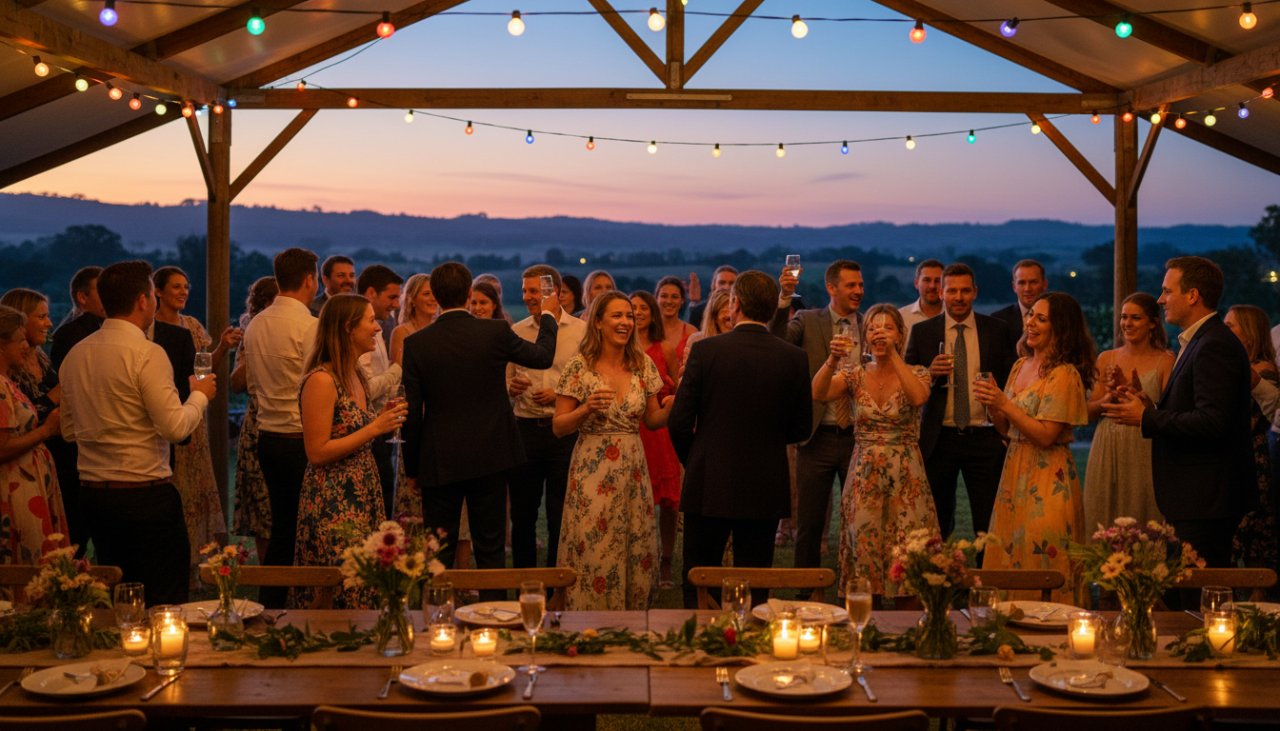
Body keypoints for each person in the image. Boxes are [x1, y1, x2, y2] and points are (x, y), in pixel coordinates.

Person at [59, 261, 215, 605]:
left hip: (95, 498)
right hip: (145, 497)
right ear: (144, 301)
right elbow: (175, 427)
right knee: (164, 599)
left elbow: (69, 431)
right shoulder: (147, 353)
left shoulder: (75, 355)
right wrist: (200, 394)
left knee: (120, 595)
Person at [401, 262, 558, 577]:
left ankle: (435, 617)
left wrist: (413, 467)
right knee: (490, 548)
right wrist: (550, 315)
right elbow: (542, 356)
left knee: (437, 550)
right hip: (491, 455)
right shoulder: (495, 332)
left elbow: (412, 413)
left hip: (440, 457)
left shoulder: (416, 344)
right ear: (469, 293)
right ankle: (493, 613)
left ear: (438, 296)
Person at [671, 271, 812, 608]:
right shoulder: (793, 357)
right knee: (756, 578)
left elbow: (678, 421)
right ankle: (755, 645)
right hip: (765, 481)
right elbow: (802, 428)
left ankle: (699, 641)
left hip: (709, 479)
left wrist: (696, 457)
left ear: (734, 304)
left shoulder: (706, 351)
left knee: (699, 578)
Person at [1103, 256, 1252, 568]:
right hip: (1194, 498)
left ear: (1193, 296)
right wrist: (1148, 404)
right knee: (1181, 591)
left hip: (1205, 500)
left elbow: (1214, 421)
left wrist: (1146, 418)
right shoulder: (1199, 340)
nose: (1160, 300)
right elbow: (1194, 409)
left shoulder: (1214, 344)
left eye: (1167, 291)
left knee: (1198, 599)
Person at [553, 291, 672, 610]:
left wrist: (673, 407)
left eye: (630, 316)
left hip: (632, 468)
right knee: (594, 544)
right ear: (599, 322)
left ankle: (632, 621)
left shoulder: (642, 364)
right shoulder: (580, 366)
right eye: (617, 316)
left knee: (633, 544)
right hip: (592, 470)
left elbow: (652, 419)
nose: (625, 322)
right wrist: (585, 410)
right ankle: (588, 618)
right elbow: (559, 425)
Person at [975, 292, 1093, 603]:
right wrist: (993, 407)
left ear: (1061, 328)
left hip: (1047, 478)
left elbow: (1045, 435)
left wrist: (1005, 403)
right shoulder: (1020, 366)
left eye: (1041, 318)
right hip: (1014, 473)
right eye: (1031, 316)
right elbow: (1007, 430)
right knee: (1009, 551)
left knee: (1043, 553)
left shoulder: (1064, 374)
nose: (1031, 322)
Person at [811, 304, 937, 592]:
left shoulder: (918, 372)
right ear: (865, 336)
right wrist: (832, 359)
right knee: (865, 552)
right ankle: (865, 624)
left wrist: (892, 354)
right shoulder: (854, 375)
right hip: (865, 473)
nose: (879, 333)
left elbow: (918, 398)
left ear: (900, 334)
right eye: (872, 328)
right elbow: (818, 393)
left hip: (906, 474)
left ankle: (908, 626)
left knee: (909, 553)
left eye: (887, 328)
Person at [295, 294, 408, 608]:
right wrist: (374, 427)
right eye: (371, 321)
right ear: (348, 328)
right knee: (336, 587)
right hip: (333, 499)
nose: (378, 328)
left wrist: (379, 417)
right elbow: (316, 451)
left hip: (362, 491)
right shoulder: (321, 380)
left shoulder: (356, 373)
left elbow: (350, 426)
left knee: (365, 582)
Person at [904, 262, 1016, 540]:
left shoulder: (997, 330)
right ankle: (936, 580)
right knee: (937, 518)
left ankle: (986, 579)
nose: (958, 297)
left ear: (975, 292)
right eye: (952, 290)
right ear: (941, 293)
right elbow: (906, 385)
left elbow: (1011, 382)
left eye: (965, 290)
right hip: (939, 437)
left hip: (985, 436)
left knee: (988, 518)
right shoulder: (923, 332)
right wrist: (929, 373)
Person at [770, 260, 864, 570]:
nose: (858, 291)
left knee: (859, 521)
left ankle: (857, 587)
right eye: (851, 285)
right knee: (808, 524)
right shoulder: (808, 320)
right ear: (831, 287)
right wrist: (783, 298)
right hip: (816, 436)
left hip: (859, 438)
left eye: (860, 285)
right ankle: (804, 590)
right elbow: (777, 341)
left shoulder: (869, 324)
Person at [241, 248, 319, 607]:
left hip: (268, 438)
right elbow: (319, 385)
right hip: (304, 439)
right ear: (309, 280)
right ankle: (304, 602)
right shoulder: (310, 326)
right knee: (309, 528)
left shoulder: (256, 324)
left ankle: (272, 601)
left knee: (283, 526)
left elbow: (253, 386)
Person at [153, 266, 236, 588]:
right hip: (165, 413)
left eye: (186, 286)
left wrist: (223, 348)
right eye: (176, 286)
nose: (183, 292)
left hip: (193, 414)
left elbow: (203, 368)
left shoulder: (192, 326)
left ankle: (199, 565)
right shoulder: (149, 329)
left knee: (197, 489)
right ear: (157, 291)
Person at [506, 265, 586, 570]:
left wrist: (560, 393)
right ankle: (523, 581)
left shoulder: (580, 331)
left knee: (559, 513)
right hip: (524, 428)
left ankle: (557, 585)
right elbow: (506, 379)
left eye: (534, 291)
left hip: (562, 432)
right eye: (524, 290)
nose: (527, 297)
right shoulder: (517, 331)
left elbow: (589, 380)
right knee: (522, 516)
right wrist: (512, 387)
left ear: (554, 292)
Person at [1083, 293, 1173, 529]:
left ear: (1153, 322)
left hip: (1144, 446)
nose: (1127, 324)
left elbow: (1169, 413)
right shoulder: (1106, 358)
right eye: (1124, 317)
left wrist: (1139, 395)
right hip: (1107, 444)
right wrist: (1109, 397)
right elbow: (1088, 413)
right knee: (1102, 512)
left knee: (1143, 514)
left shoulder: (1164, 361)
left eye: (1135, 318)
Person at [0, 305, 69, 564]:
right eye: (20, 341)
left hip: (29, 487)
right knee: (27, 565)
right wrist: (46, 430)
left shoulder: (8, 380)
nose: (27, 347)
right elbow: (2, 447)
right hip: (15, 494)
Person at [47, 266, 105, 552]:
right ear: (82, 297)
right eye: (100, 290)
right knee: (78, 529)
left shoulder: (101, 328)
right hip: (77, 444)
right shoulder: (70, 334)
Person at [631, 290, 682, 589]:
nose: (637, 313)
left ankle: (665, 561)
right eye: (632, 308)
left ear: (652, 313)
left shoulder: (665, 348)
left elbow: (678, 389)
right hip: (632, 429)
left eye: (642, 308)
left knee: (667, 502)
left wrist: (670, 394)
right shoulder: (621, 348)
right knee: (638, 501)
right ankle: (640, 558)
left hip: (660, 431)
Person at [1224, 305, 1278, 571]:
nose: (1225, 330)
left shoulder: (1262, 370)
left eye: (1231, 325)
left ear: (1249, 332)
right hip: (1236, 457)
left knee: (1253, 536)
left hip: (1254, 461)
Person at [231, 276, 277, 565]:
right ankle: (266, 570)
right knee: (262, 506)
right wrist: (255, 350)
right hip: (258, 423)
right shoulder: (250, 334)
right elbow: (235, 383)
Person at [355, 264, 404, 519]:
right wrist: (398, 368)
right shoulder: (360, 332)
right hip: (368, 432)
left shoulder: (379, 327)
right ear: (371, 293)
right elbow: (367, 389)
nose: (396, 304)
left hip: (381, 428)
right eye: (392, 297)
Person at [388, 272, 436, 521]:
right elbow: (400, 379)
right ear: (412, 299)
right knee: (410, 504)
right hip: (414, 416)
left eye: (434, 293)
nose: (433, 298)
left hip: (438, 418)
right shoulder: (402, 332)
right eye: (427, 293)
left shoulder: (442, 330)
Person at [990, 259, 1048, 350]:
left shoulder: (1059, 318)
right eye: (1022, 283)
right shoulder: (997, 320)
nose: (1027, 288)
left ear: (1044, 284)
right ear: (1014, 287)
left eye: (1033, 282)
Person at [654, 277, 698, 383]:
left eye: (674, 297)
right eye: (664, 296)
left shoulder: (692, 333)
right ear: (656, 299)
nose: (669, 301)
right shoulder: (646, 331)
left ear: (682, 300)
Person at [680, 289, 732, 371]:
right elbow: (687, 375)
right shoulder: (696, 341)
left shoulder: (744, 342)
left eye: (732, 313)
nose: (729, 316)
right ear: (713, 317)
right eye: (724, 311)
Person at [898, 259, 944, 337]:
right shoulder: (901, 318)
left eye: (937, 281)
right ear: (916, 283)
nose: (932, 286)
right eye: (927, 280)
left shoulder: (955, 317)